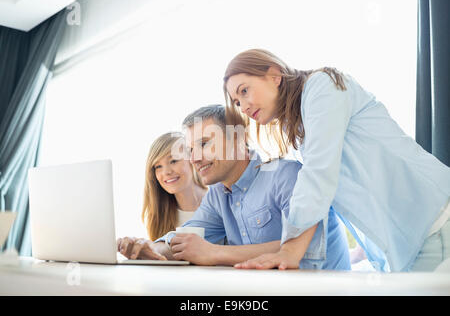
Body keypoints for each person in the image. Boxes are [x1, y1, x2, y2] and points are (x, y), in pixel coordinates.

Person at [223, 48, 450, 272]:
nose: (243, 107)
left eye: (244, 91)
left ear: (274, 75)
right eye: (236, 102)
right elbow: (345, 188)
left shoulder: (323, 86)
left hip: (433, 219)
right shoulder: (299, 126)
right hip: (415, 236)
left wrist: (289, 251)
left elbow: (318, 175)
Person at [148, 104, 351, 270]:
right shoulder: (218, 195)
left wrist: (214, 253)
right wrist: (151, 249)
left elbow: (308, 246)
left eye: (204, 144)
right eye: (191, 150)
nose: (194, 158)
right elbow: (186, 240)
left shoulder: (286, 175)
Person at [117, 132, 207, 260]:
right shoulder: (161, 213)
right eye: (158, 166)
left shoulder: (219, 201)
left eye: (174, 161)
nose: (166, 172)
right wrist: (146, 250)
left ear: (192, 159)